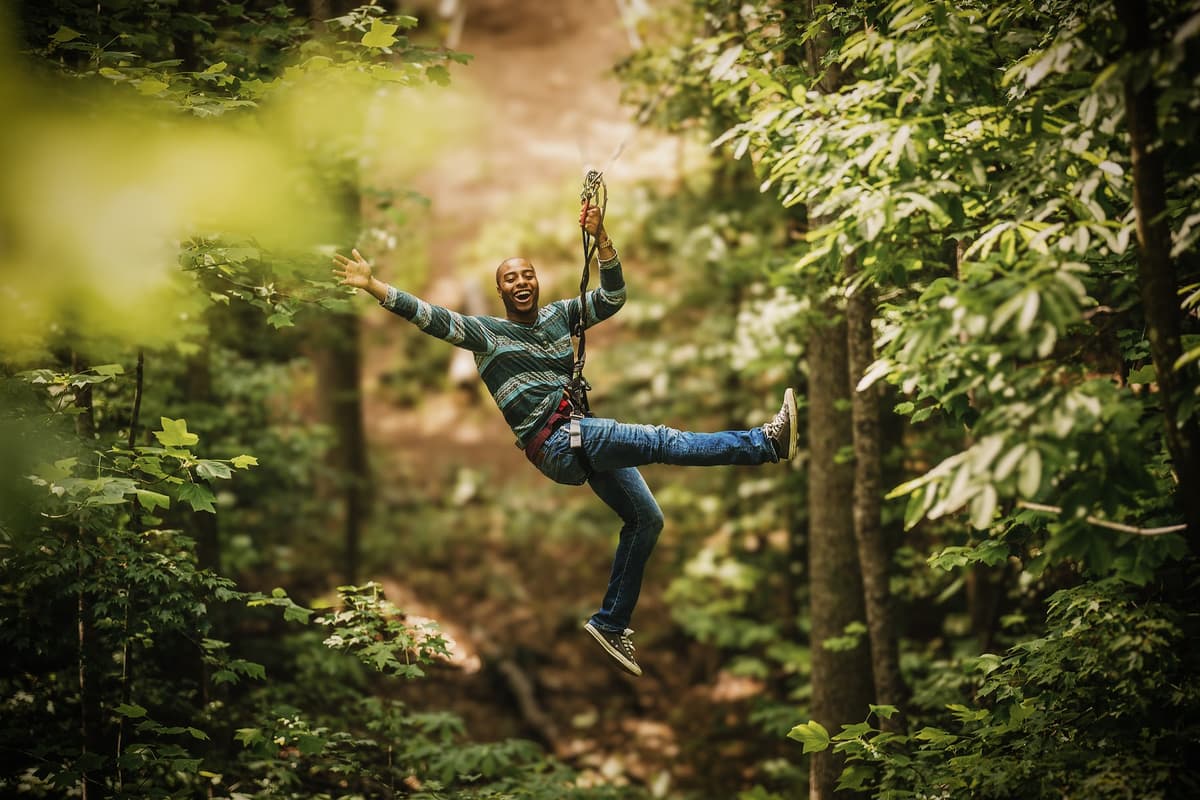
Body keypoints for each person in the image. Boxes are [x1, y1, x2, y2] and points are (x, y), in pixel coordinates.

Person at [332, 201, 797, 677]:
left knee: (646, 519)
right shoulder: (487, 335)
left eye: (527, 274)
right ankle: (765, 444)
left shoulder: (560, 317)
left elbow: (613, 297)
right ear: (499, 291)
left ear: (537, 281)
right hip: (557, 441)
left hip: (576, 436)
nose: (520, 282)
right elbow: (429, 316)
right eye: (510, 278)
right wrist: (374, 287)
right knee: (659, 439)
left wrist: (603, 240)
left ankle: (611, 623)